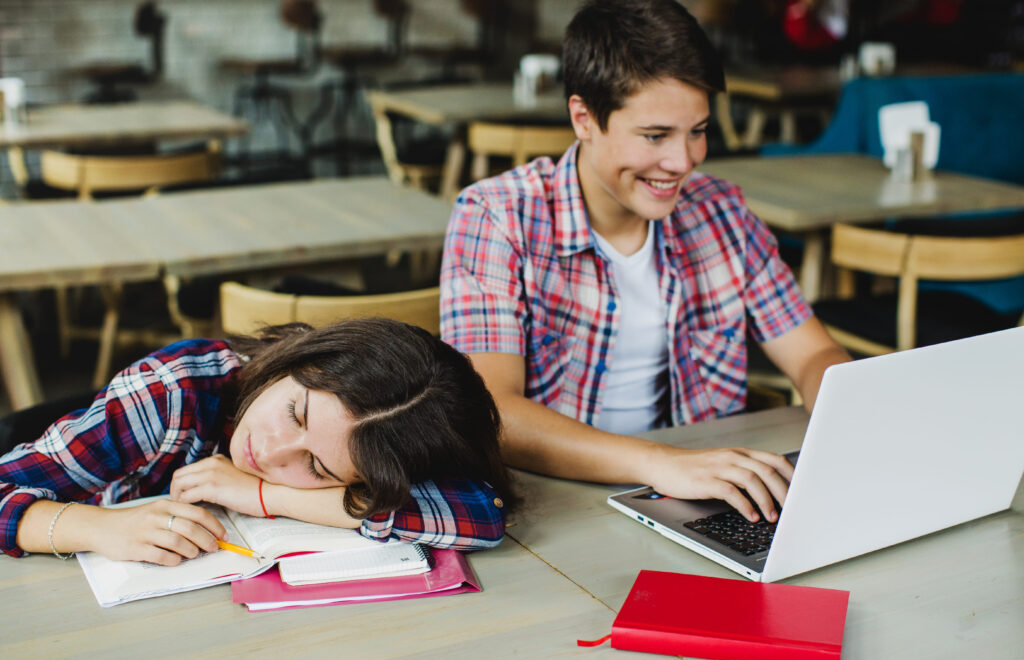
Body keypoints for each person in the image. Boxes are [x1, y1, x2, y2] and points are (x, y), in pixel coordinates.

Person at [440, 0, 851, 526]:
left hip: (694, 492)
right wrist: (662, 464)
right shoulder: (498, 216)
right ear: (583, 118)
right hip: (553, 506)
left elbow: (814, 353)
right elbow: (493, 412)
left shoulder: (719, 211)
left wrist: (852, 415)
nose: (682, 162)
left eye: (698, 130)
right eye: (656, 136)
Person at [0, 318, 516, 565]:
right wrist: (95, 526)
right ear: (302, 361)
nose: (269, 452)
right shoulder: (176, 391)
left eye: (316, 468)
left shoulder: (385, 440)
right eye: (295, 413)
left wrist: (269, 496)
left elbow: (482, 512)